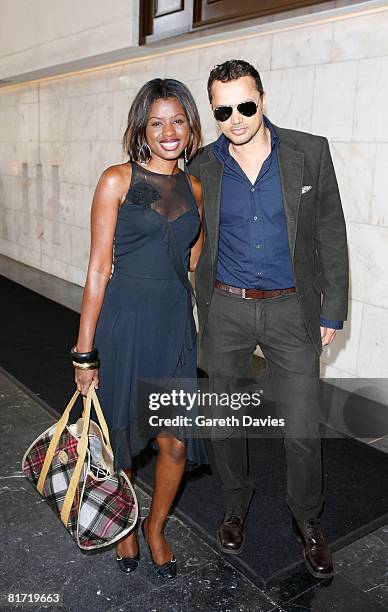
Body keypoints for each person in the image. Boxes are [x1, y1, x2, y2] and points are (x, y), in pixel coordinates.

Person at [188, 59, 348, 579]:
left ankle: (308, 519)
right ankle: (236, 503)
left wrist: (333, 308)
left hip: (290, 309)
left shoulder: (309, 152)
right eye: (223, 109)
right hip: (226, 308)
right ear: (214, 110)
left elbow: (330, 234)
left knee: (302, 426)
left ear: (263, 98)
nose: (236, 117)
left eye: (245, 104)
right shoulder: (202, 167)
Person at [72, 78, 206, 581]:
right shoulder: (117, 181)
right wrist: (85, 352)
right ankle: (125, 527)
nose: (168, 131)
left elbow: (191, 257)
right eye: (157, 122)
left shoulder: (194, 188)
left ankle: (155, 527)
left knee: (176, 441)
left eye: (178, 120)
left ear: (191, 127)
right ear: (142, 130)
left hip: (174, 325)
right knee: (124, 439)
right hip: (125, 324)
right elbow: (97, 268)